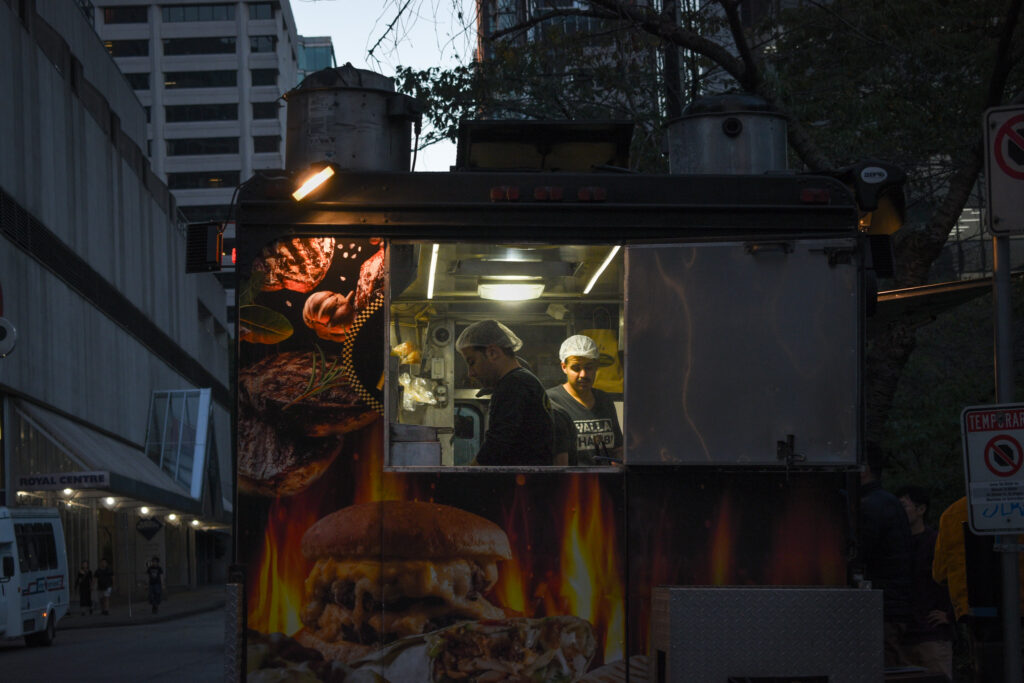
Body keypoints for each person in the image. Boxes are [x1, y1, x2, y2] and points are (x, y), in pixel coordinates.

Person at [455, 320, 555, 466]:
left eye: (472, 362)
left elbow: (496, 446)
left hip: (522, 484)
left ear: (492, 353)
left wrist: (466, 476)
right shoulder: (524, 379)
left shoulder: (513, 385)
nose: (471, 373)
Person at [857, 443, 913, 667]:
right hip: (891, 606)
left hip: (883, 608)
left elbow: (859, 552)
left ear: (864, 469)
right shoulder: (886, 502)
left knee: (885, 668)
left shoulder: (870, 506)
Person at [895, 485, 954, 679]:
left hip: (931, 634)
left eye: (904, 505)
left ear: (921, 510)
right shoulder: (896, 544)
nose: (899, 511)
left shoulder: (935, 542)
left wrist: (950, 614)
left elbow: (955, 577)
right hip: (904, 634)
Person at [546, 335, 623, 465]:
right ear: (564, 367)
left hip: (606, 482)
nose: (583, 374)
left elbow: (618, 447)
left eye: (589, 367)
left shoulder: (604, 400)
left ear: (596, 367)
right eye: (576, 368)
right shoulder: (552, 400)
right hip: (572, 482)